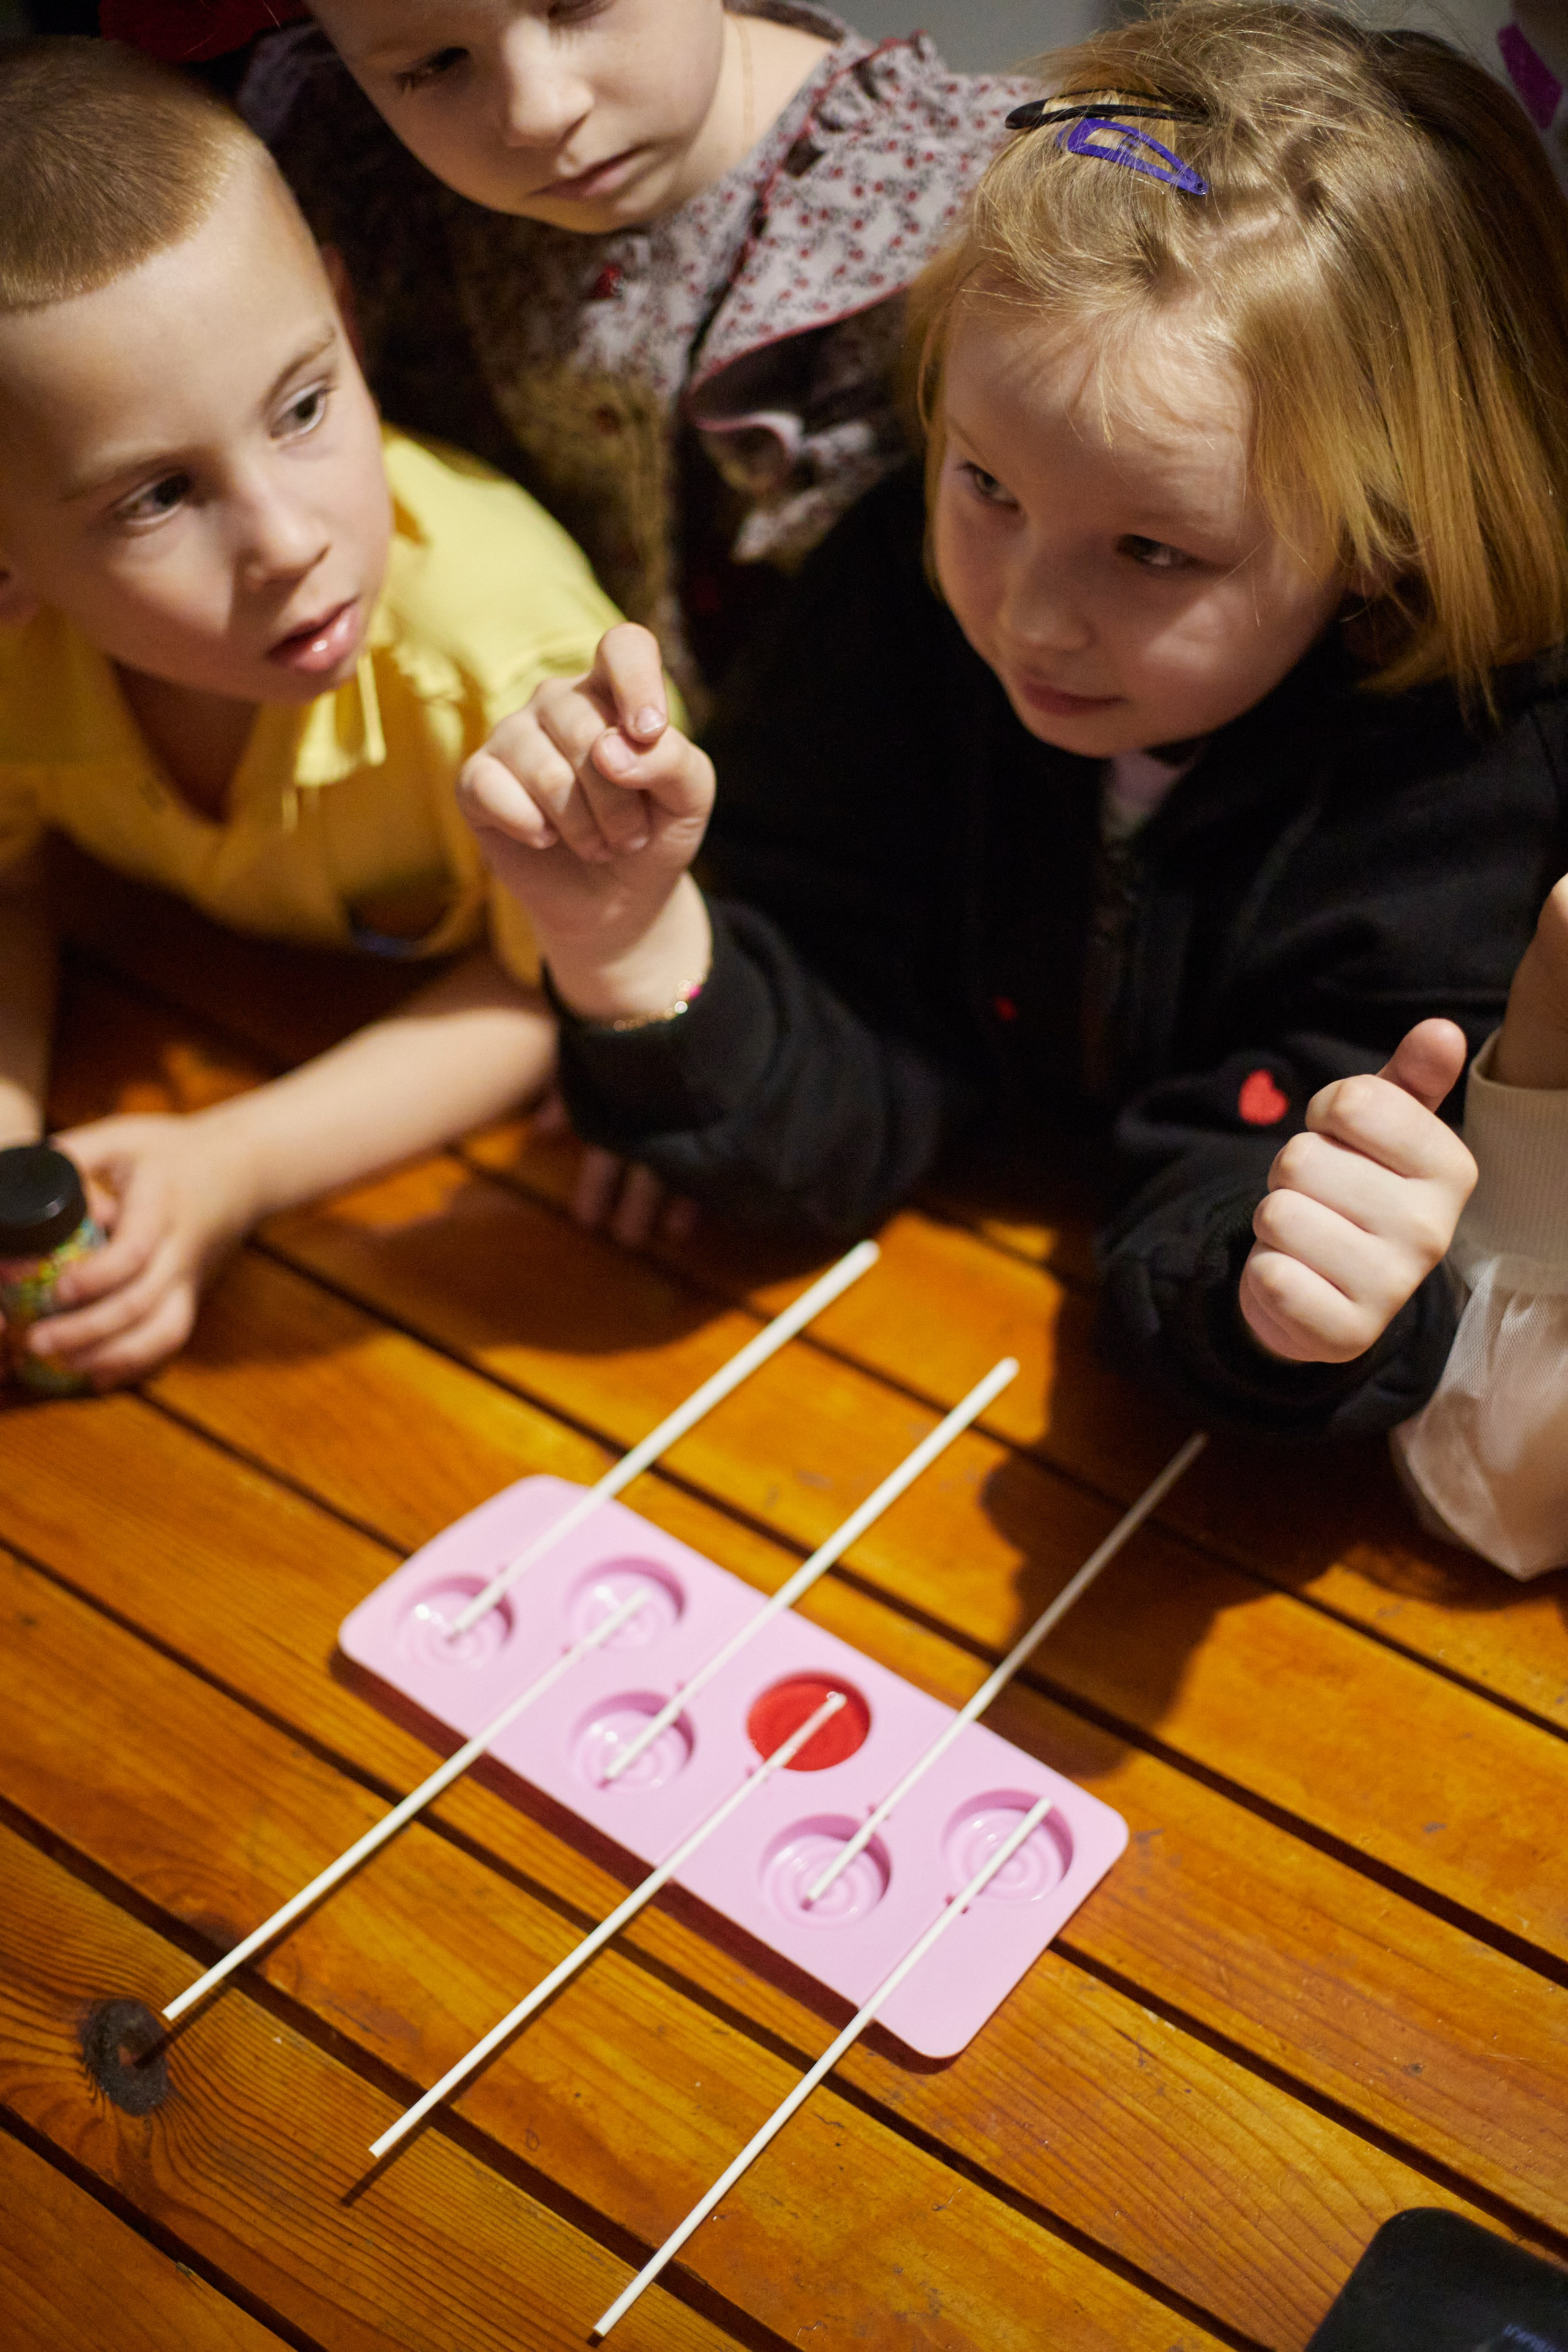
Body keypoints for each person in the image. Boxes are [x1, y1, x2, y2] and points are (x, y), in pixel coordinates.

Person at [454, 0, 1568, 1566]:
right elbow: (848, 1043)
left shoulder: (1456, 785)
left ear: (1381, 535)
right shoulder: (892, 596)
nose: (1027, 616)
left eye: (1150, 552)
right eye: (982, 482)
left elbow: (1267, 1193)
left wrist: (1287, 1302)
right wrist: (641, 957)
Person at [0, 37, 633, 1389]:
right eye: (157, 497)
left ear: (346, 324)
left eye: (302, 405)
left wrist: (235, 1166)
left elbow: (557, 989)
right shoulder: (15, 663)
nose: (288, 541)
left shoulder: (502, 663)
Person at [117, 0, 1029, 693]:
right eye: (435, 66)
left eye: (577, 2)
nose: (537, 112)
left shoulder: (971, 220)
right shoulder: (335, 149)